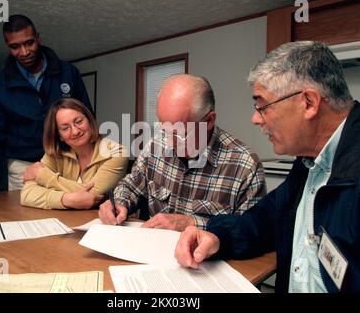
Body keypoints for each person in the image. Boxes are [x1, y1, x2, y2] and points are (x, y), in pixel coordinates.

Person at [174, 41, 360, 293]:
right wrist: (218, 237)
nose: (255, 118)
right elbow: (264, 221)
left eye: (263, 106)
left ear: (308, 102)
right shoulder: (308, 163)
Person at [99, 74, 266, 231]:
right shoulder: (156, 145)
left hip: (204, 259)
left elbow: (251, 230)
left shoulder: (245, 165)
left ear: (209, 121)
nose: (168, 142)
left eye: (179, 134)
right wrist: (120, 203)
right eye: (164, 128)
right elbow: (130, 186)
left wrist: (193, 224)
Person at [0, 14, 92, 200]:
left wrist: (88, 162)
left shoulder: (68, 73)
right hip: (21, 167)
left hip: (66, 163)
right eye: (15, 47)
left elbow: (86, 120)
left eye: (29, 43)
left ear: (38, 38)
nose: (24, 52)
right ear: (8, 46)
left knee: (70, 220)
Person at [21, 98, 128, 209]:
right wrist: (65, 200)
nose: (75, 131)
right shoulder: (55, 153)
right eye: (65, 128)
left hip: (100, 221)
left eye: (78, 122)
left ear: (89, 121)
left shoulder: (116, 153)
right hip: (62, 219)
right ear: (59, 136)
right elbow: (27, 194)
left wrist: (42, 175)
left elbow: (92, 194)